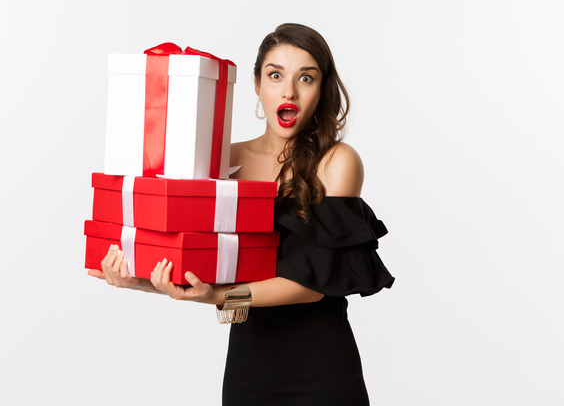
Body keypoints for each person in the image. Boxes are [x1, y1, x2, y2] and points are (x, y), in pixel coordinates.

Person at [88, 23, 395, 405]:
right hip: (249, 371)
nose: (289, 91)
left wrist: (216, 296)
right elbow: (193, 262)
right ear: (256, 84)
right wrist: (139, 279)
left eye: (306, 77)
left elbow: (313, 286)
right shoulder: (224, 161)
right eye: (275, 75)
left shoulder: (338, 163)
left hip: (323, 371)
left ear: (322, 88)